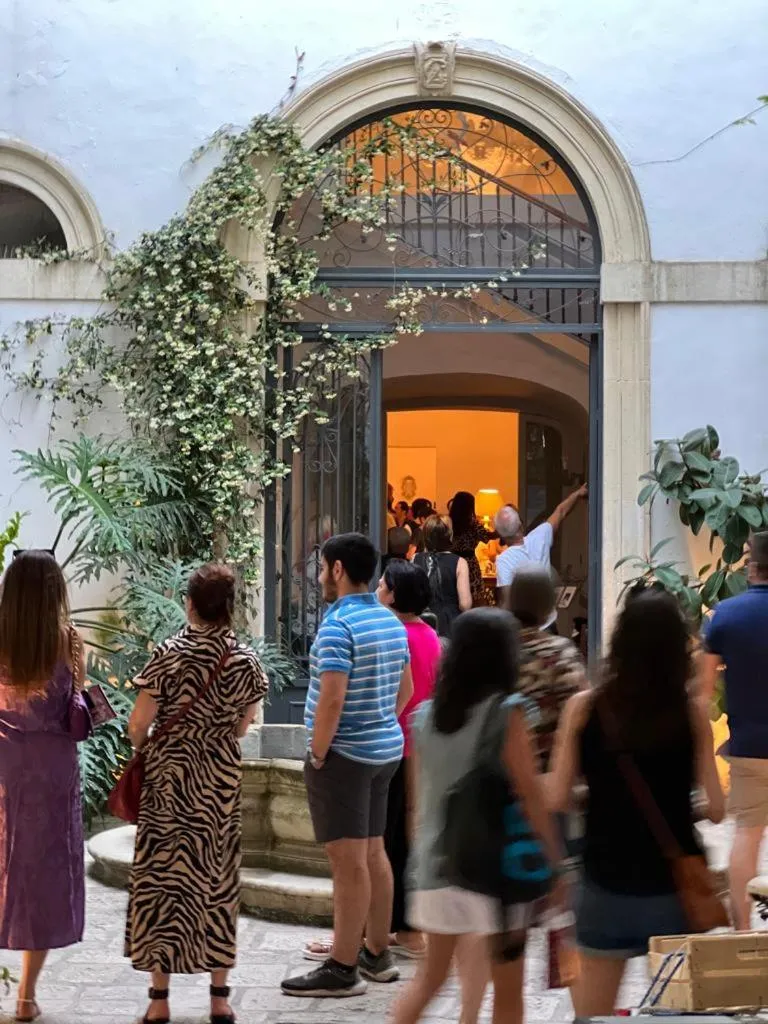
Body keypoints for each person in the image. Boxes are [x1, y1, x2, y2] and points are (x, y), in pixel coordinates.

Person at [547, 589, 724, 1018]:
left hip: (603, 885)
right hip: (673, 891)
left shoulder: (584, 709)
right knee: (675, 1015)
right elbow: (717, 808)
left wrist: (599, 796)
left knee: (593, 1017)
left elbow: (557, 796)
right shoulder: (691, 714)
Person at [394, 608, 564, 1024]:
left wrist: (421, 860)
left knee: (429, 979)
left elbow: (416, 804)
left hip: (437, 867)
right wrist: (557, 864)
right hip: (492, 871)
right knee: (508, 989)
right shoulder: (507, 714)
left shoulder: (423, 718)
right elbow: (530, 795)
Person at [125, 563, 268, 1024]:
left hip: (168, 781)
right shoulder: (244, 661)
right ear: (230, 607)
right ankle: (219, 997)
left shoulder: (168, 654)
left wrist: (157, 747)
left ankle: (159, 998)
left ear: (189, 603)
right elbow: (246, 724)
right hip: (218, 784)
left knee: (163, 881)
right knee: (216, 880)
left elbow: (137, 725)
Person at [282, 533, 413, 998]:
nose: (319, 574)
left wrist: (318, 752)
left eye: (322, 566)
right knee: (374, 852)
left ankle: (342, 966)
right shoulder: (391, 623)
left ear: (337, 570)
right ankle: (377, 954)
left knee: (347, 863)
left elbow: (331, 699)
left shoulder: (338, 628)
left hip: (346, 757)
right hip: (384, 753)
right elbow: (406, 690)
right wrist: (379, 722)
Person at [0, 550, 86, 1024]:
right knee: (43, 876)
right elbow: (78, 713)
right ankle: (26, 998)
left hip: (3, 766)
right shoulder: (67, 642)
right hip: (52, 772)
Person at [701, 530, 768, 930]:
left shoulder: (725, 616)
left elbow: (703, 691)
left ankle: (742, 932)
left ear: (752, 567)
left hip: (748, 747)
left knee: (746, 835)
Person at [503, 567, 588, 772]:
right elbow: (582, 711)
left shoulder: (495, 652)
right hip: (550, 770)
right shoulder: (561, 652)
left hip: (502, 772)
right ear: (548, 606)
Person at [494, 484, 588, 626]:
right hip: (548, 623)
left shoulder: (504, 560)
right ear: (520, 525)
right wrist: (579, 493)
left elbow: (507, 602)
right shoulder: (540, 536)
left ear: (500, 535)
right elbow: (561, 511)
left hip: (524, 629)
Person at [413, 515, 472, 638]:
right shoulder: (459, 562)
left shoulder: (415, 559)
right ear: (450, 536)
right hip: (450, 624)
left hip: (421, 621)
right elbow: (465, 604)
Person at [448, 492, 496, 607]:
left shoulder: (448, 522)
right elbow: (488, 536)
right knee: (473, 596)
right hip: (470, 563)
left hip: (451, 562)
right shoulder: (473, 524)